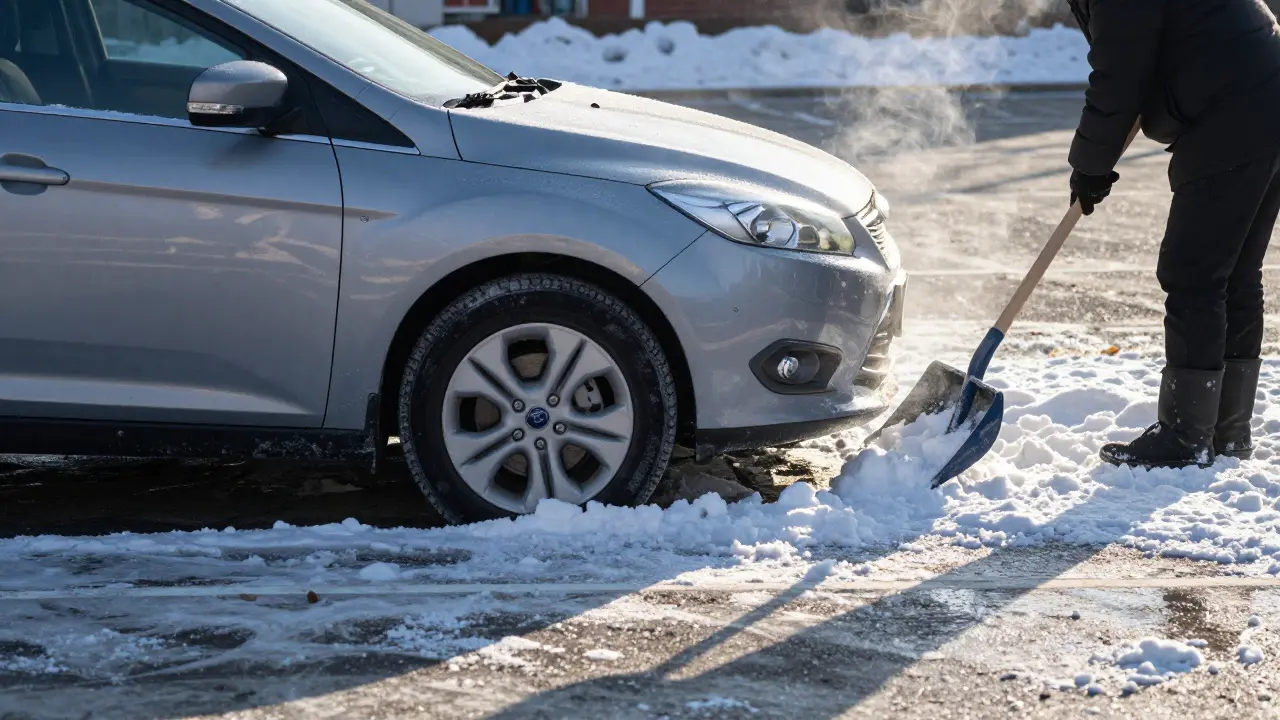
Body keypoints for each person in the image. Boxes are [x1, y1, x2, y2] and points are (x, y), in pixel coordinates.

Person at [1065, 0, 1280, 469]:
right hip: (1264, 89)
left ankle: (1186, 437)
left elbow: (1120, 71)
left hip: (1234, 105)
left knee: (1194, 271)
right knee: (1235, 269)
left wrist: (1089, 165)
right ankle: (1225, 431)